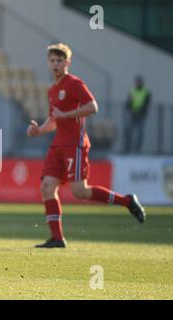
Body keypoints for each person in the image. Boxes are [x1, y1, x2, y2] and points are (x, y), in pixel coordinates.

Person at [26, 43, 146, 248]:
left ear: (67, 63)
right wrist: (39, 130)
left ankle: (127, 201)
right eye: (52, 61)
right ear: (48, 63)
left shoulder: (74, 83)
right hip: (58, 145)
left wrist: (67, 115)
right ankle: (57, 238)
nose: (55, 64)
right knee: (47, 187)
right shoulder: (52, 90)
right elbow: (54, 120)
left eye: (59, 61)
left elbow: (93, 106)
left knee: (80, 191)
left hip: (75, 144)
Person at [124, 75, 151, 153]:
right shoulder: (132, 91)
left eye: (139, 82)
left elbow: (147, 104)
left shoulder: (146, 92)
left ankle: (137, 150)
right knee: (129, 131)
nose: (138, 83)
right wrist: (131, 110)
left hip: (141, 115)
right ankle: (128, 149)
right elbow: (128, 103)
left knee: (140, 133)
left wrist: (139, 112)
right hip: (132, 115)